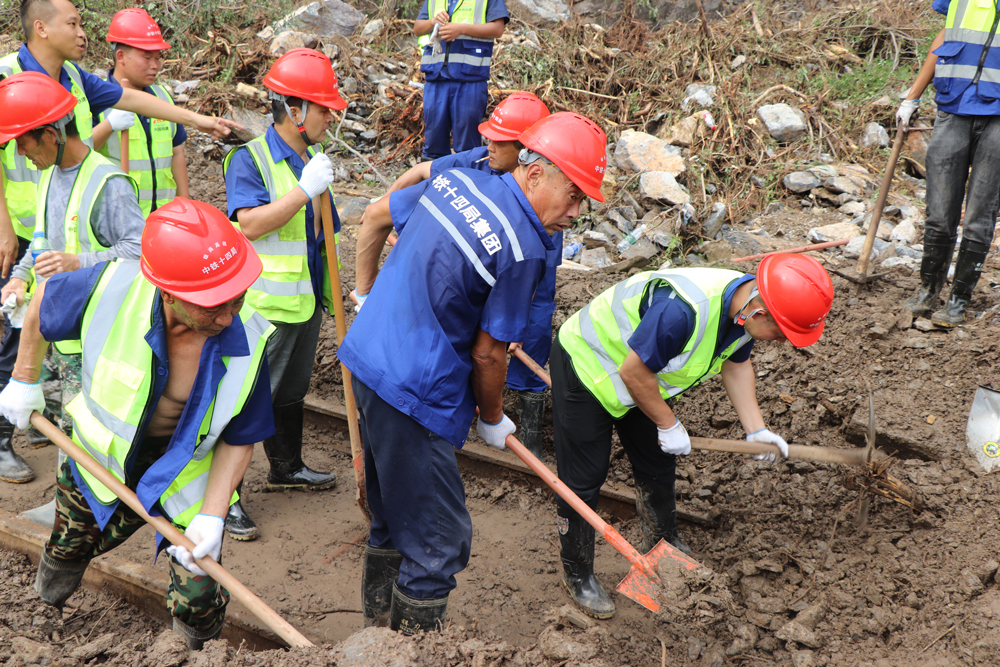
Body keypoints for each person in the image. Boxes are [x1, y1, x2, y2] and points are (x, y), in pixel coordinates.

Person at [339, 112, 608, 634]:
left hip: (369, 359)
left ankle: (376, 630)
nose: (576, 213)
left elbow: (377, 215)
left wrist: (365, 294)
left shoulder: (456, 181)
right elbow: (489, 354)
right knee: (439, 542)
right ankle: (405, 648)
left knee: (393, 512)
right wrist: (492, 416)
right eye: (573, 195)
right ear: (534, 174)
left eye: (583, 203)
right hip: (413, 390)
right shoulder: (524, 246)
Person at [0, 197, 275, 650]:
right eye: (211, 307)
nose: (228, 317)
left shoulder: (248, 338)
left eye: (236, 298)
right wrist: (24, 380)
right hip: (100, 457)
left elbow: (241, 436)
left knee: (200, 589)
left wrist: (213, 514)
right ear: (168, 293)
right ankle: (42, 612)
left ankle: (191, 653)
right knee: (70, 546)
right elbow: (44, 298)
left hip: (185, 469)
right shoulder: (111, 289)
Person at [0, 0, 238, 479]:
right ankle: (17, 428)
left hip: (95, 246)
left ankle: (85, 472)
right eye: (73, 23)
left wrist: (198, 121)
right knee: (19, 342)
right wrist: (15, 251)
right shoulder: (11, 80)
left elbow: (135, 105)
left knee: (82, 393)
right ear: (40, 28)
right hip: (44, 228)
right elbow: (46, 232)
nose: (82, 32)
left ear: (49, 133)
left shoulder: (76, 83)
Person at [550, 254, 834, 619]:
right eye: (782, 333)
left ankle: (662, 543)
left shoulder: (743, 308)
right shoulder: (682, 312)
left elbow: (737, 363)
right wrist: (668, 424)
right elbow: (633, 373)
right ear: (760, 312)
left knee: (656, 462)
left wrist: (756, 428)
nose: (781, 342)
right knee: (584, 478)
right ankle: (577, 573)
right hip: (589, 366)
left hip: (642, 378)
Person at [356, 92, 556, 457]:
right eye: (490, 135)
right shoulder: (476, 164)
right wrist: (402, 213)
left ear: (530, 154)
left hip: (499, 272)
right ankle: (481, 412)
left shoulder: (542, 215)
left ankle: (528, 419)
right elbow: (416, 177)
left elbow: (529, 300)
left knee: (526, 326)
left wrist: (510, 326)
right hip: (429, 345)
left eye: (501, 139)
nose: (490, 144)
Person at [222, 48, 345, 541]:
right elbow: (248, 225)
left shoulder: (312, 160)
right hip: (261, 310)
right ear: (294, 110)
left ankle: (286, 467)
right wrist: (301, 191)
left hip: (303, 305)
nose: (329, 117)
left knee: (289, 395)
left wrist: (338, 299)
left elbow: (322, 238)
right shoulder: (248, 160)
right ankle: (223, 498)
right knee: (244, 403)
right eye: (323, 108)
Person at [0, 71, 145, 488]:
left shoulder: (108, 184)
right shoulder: (49, 176)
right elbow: (43, 244)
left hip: (101, 337)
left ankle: (79, 511)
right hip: (65, 332)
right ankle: (73, 501)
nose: (19, 153)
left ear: (50, 134)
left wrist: (76, 261)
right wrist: (21, 279)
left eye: (22, 142)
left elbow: (139, 252)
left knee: (87, 430)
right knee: (68, 426)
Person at [899, 0, 998, 326]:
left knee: (978, 215)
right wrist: (913, 96)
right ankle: (928, 290)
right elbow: (944, 37)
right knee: (939, 212)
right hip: (953, 107)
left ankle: (958, 301)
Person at [93, 8, 190, 216]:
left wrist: (185, 205)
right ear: (121, 56)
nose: (155, 66)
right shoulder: (97, 100)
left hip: (165, 219)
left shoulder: (162, 96)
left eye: (158, 57)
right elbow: (80, 152)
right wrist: (108, 125)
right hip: (117, 219)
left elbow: (176, 152)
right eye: (147, 58)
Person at [413, 0, 508, 160]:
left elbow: (498, 29)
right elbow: (418, 28)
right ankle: (433, 182)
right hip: (436, 78)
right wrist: (432, 21)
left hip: (470, 78)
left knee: (467, 145)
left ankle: (466, 180)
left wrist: (461, 29)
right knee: (433, 141)